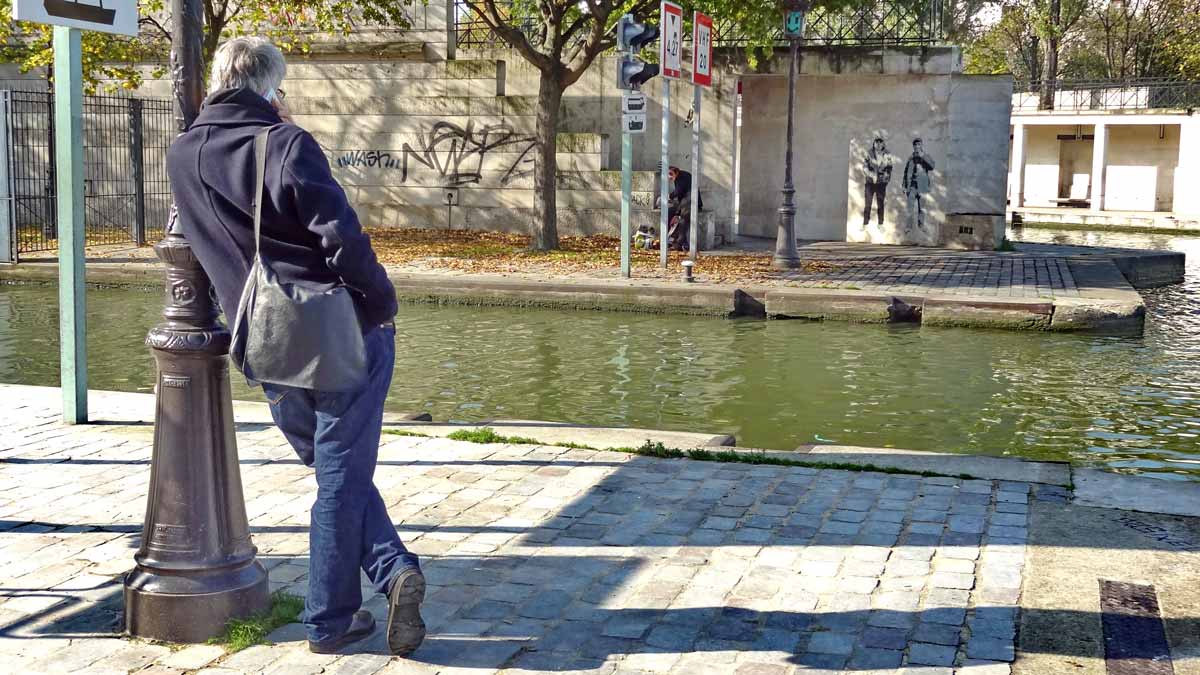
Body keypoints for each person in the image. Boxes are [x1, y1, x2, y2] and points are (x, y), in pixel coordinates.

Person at [165, 37, 426, 656]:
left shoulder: (181, 154)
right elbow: (341, 236)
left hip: (263, 340)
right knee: (341, 476)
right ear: (269, 86)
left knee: (336, 470)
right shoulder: (284, 142)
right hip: (336, 333)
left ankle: (392, 570)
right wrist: (381, 306)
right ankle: (329, 620)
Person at [903, 138, 936, 234]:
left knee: (922, 208)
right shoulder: (911, 158)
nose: (917, 146)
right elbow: (906, 172)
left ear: (921, 146)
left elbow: (932, 166)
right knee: (909, 208)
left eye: (919, 144)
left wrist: (923, 156)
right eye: (915, 145)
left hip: (922, 186)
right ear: (913, 147)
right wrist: (904, 186)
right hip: (912, 186)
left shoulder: (926, 156)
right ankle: (908, 227)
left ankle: (921, 225)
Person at [667, 166, 703, 251]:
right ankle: (671, 239)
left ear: (676, 172)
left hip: (691, 204)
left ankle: (679, 244)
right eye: (668, 174)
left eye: (671, 174)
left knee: (683, 221)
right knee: (669, 212)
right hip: (686, 203)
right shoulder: (682, 175)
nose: (669, 177)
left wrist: (669, 196)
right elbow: (681, 195)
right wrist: (677, 212)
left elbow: (678, 191)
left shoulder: (681, 178)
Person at [862, 137, 892, 228]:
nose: (878, 144)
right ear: (874, 143)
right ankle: (865, 224)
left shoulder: (887, 154)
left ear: (883, 144)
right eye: (877, 142)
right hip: (870, 182)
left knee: (880, 204)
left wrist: (886, 179)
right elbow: (865, 167)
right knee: (868, 204)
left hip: (881, 183)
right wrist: (871, 175)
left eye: (880, 142)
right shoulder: (869, 153)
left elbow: (889, 168)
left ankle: (880, 224)